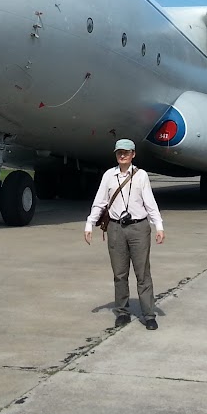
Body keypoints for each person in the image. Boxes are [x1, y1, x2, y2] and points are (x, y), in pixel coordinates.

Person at [84, 138, 165, 329]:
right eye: (119, 152)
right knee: (119, 273)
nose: (122, 155)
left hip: (139, 228)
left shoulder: (141, 175)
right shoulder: (109, 176)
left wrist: (158, 226)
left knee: (142, 273)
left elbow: (150, 203)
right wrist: (89, 224)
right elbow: (100, 202)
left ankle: (149, 314)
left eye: (126, 152)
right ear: (116, 154)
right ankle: (122, 312)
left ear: (133, 154)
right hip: (115, 228)